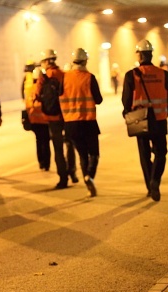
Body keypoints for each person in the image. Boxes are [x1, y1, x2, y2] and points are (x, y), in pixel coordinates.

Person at [121, 39, 168, 202]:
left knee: (144, 155)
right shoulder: (163, 74)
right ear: (151, 54)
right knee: (161, 153)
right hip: (159, 119)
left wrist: (127, 113)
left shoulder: (131, 75)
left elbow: (126, 100)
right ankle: (155, 180)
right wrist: (164, 111)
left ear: (139, 55)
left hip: (140, 120)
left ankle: (150, 187)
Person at [59, 48, 103, 197]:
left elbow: (59, 96)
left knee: (83, 155)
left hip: (71, 124)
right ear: (85, 61)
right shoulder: (89, 77)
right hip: (88, 122)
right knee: (94, 154)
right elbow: (99, 100)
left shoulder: (64, 78)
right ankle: (89, 176)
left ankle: (87, 181)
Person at [35, 48, 78, 189]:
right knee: (70, 144)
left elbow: (37, 95)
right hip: (66, 115)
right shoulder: (64, 74)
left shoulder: (43, 77)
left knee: (58, 148)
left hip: (52, 117)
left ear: (46, 62)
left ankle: (63, 178)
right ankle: (72, 171)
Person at [22, 60, 51, 171]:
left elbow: (27, 104)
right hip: (45, 119)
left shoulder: (29, 89)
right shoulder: (44, 88)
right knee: (46, 142)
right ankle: (46, 164)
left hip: (34, 120)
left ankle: (41, 163)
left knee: (39, 141)